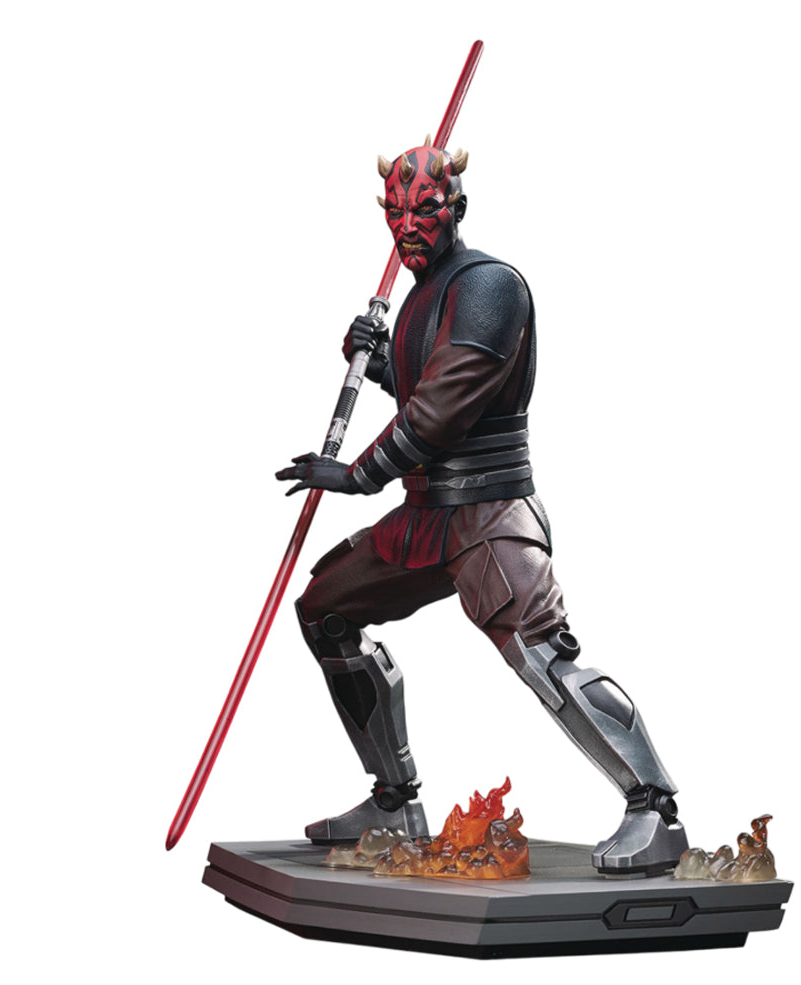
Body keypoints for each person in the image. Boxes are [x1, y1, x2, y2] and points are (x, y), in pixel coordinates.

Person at [276, 141, 688, 874]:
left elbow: (440, 412)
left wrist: (357, 475)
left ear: (457, 207)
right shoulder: (423, 294)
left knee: (542, 655)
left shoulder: (491, 286)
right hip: (426, 516)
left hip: (489, 517)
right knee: (326, 611)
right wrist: (376, 357)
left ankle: (655, 810)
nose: (408, 227)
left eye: (425, 211)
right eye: (396, 213)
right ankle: (395, 802)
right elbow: (421, 387)